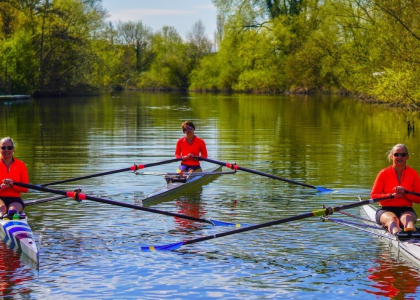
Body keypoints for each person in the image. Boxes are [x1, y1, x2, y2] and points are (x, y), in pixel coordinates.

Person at [371, 144, 420, 235]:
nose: (399, 157)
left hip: (406, 209)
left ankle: (412, 235)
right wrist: (391, 196)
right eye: (396, 154)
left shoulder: (413, 174)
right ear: (392, 156)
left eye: (403, 155)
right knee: (392, 220)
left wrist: (405, 193)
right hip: (385, 210)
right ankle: (398, 236)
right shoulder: (383, 173)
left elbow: (418, 199)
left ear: (407, 157)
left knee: (408, 218)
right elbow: (374, 195)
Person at [0, 137, 29, 217]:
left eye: (9, 148)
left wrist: (13, 185)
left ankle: (12, 218)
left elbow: (25, 189)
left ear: (13, 149)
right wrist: (1, 187)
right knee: (2, 209)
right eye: (3, 148)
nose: (6, 150)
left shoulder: (21, 165)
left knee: (12, 211)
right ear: (0, 149)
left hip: (15, 199)